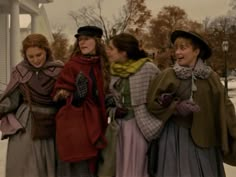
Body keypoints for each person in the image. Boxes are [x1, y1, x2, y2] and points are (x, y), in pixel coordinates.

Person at [147, 29, 236, 177]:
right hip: (175, 138)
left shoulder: (210, 77)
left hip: (206, 139)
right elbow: (152, 103)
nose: (177, 52)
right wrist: (175, 107)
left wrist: (233, 131)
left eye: (183, 48)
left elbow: (225, 106)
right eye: (176, 48)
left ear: (196, 51)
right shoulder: (168, 75)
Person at [0, 33, 64, 177]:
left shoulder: (59, 70)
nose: (36, 60)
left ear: (46, 51)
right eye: (31, 56)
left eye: (39, 55)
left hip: (51, 125)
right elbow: (11, 100)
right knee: (25, 166)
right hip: (26, 123)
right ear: (25, 56)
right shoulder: (20, 71)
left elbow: (68, 100)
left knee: (48, 166)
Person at [52, 25, 109, 177]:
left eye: (86, 39)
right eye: (80, 40)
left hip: (100, 121)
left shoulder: (104, 65)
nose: (82, 43)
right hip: (78, 125)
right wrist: (75, 98)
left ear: (97, 41)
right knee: (82, 169)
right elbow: (58, 99)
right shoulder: (72, 65)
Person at [105, 33, 162, 177]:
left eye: (111, 48)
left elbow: (161, 94)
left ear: (123, 52)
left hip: (141, 127)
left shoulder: (148, 68)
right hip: (119, 128)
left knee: (138, 166)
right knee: (120, 165)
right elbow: (110, 98)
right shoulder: (113, 71)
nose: (108, 51)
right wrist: (112, 109)